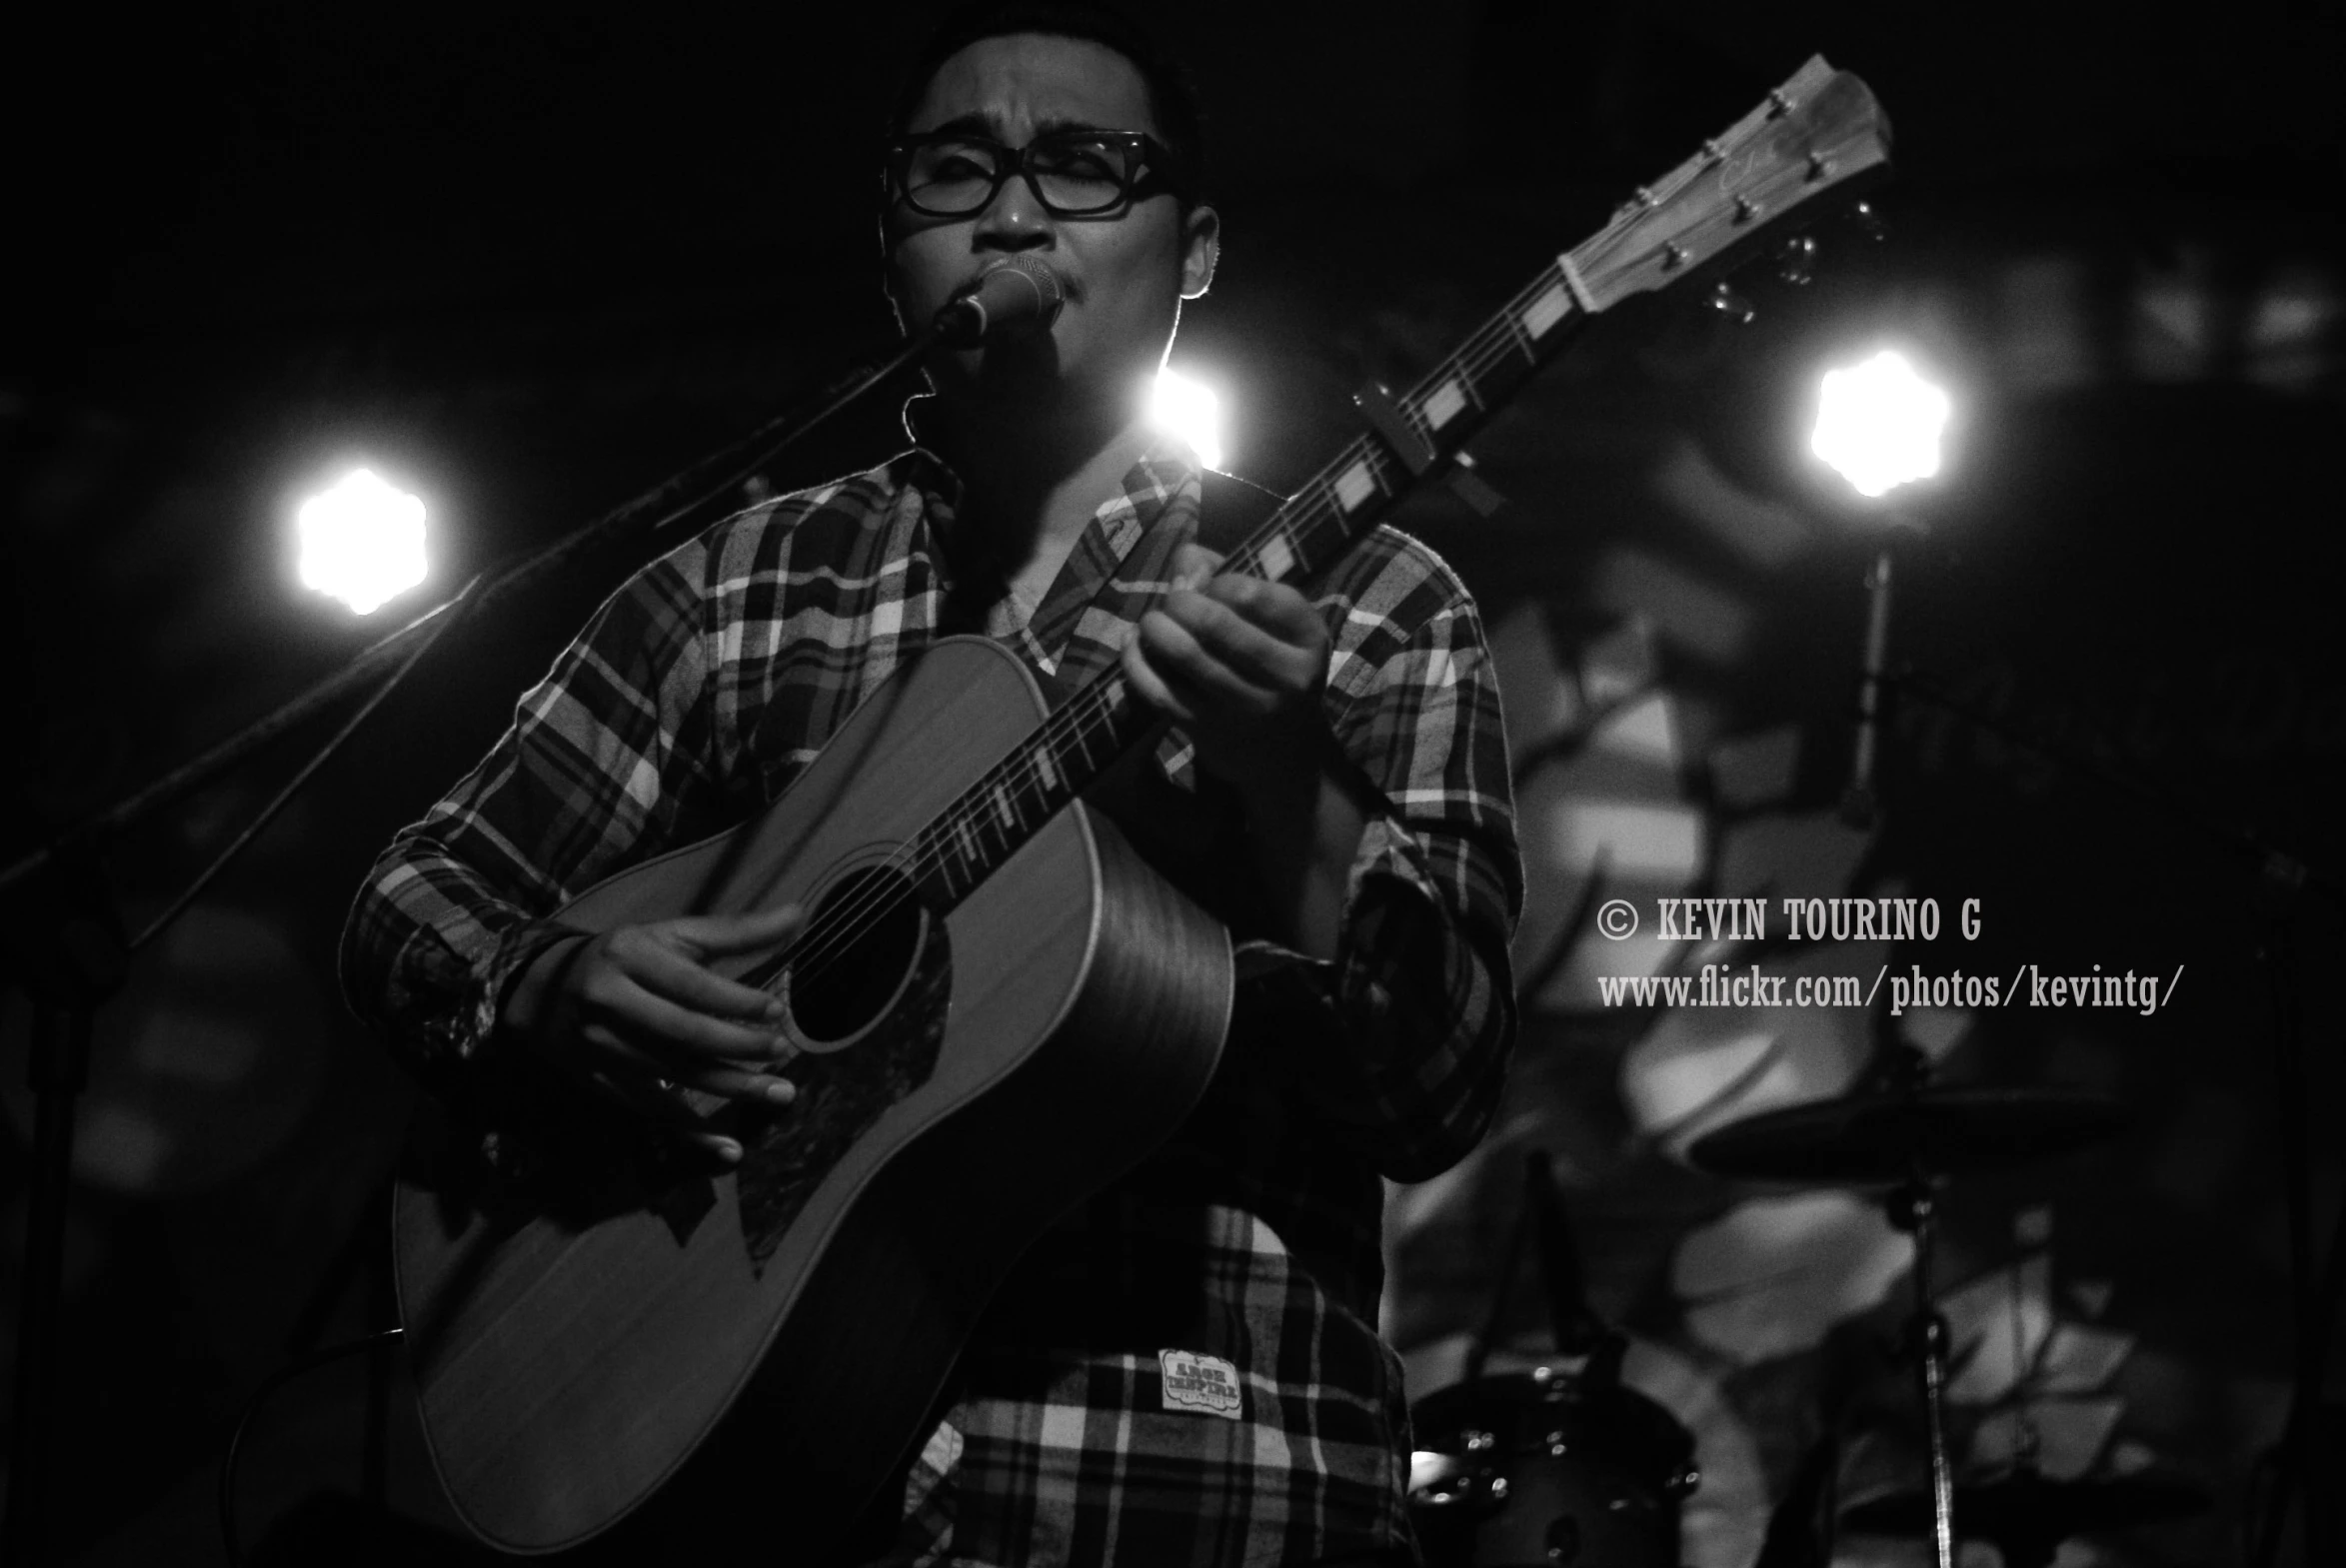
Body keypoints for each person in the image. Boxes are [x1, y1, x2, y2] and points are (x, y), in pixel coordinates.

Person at [341, 2, 1520, 1562]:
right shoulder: (739, 586)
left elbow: (1430, 1086)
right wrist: (547, 986)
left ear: (1200, 248)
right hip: (745, 1497)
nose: (1016, 211)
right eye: (956, 170)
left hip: (1187, 1489)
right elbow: (412, 897)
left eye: (1086, 168)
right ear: (888, 237)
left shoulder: (1372, 598)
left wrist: (1281, 778)